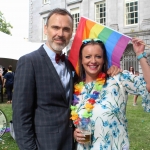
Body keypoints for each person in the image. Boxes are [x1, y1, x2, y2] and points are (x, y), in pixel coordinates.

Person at [12, 8, 121, 150]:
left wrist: (109, 71)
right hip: (44, 145)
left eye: (66, 29)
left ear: (71, 33)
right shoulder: (29, 62)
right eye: (55, 28)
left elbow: (88, 85)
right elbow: (21, 116)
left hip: (72, 143)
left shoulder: (70, 64)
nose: (60, 34)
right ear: (46, 29)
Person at [71, 38, 150, 150]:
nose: (93, 61)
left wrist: (140, 54)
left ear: (104, 60)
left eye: (98, 56)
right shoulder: (75, 89)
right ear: (81, 60)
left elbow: (148, 85)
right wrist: (74, 133)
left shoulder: (117, 79)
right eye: (88, 56)